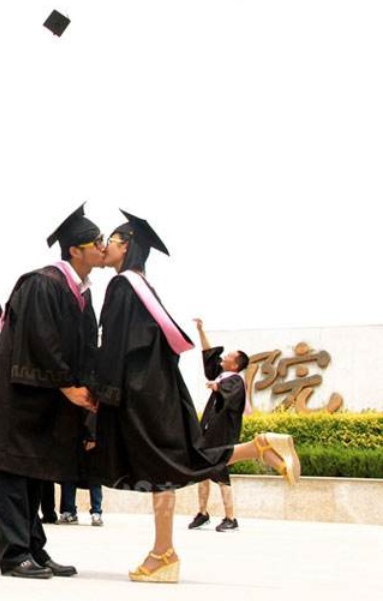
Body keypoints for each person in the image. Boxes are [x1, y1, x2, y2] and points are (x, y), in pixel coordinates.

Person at [93, 210, 302, 583]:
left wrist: (100, 397)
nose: (104, 246)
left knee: (165, 466)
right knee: (173, 464)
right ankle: (165, 551)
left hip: (141, 395)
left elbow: (115, 347)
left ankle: (164, 553)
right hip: (162, 390)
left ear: (125, 247)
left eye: (111, 240)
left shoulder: (122, 286)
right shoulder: (143, 286)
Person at [0, 204, 105, 579]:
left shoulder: (83, 294)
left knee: (33, 476)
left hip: (42, 398)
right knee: (13, 474)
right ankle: (14, 555)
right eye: (96, 241)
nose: (101, 247)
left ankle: (34, 549)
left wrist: (89, 388)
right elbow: (40, 338)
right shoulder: (42, 282)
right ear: (76, 249)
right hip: (18, 398)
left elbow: (84, 348)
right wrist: (66, 384)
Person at [189, 317, 249, 532]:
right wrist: (200, 330)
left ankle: (231, 518)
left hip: (223, 436)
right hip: (209, 433)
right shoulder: (223, 376)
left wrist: (217, 388)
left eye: (229, 356)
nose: (224, 357)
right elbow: (209, 355)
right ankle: (203, 513)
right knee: (202, 472)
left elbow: (230, 397)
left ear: (236, 364)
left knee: (221, 474)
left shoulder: (235, 381)